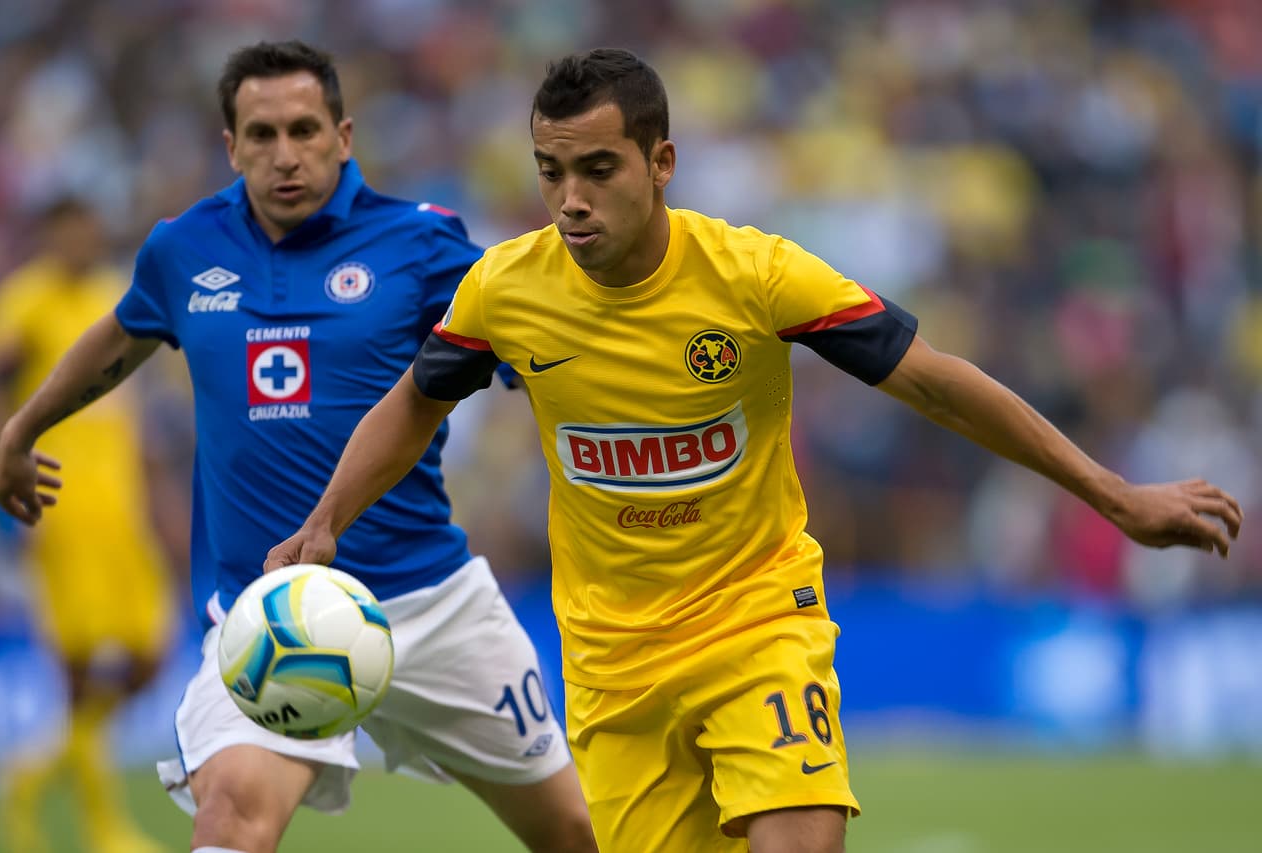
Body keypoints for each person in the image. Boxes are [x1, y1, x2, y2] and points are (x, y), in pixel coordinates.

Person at [269, 47, 1244, 853]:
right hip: (613, 664)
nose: (568, 199)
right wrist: (325, 523)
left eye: (596, 169)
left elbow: (933, 379)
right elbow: (411, 404)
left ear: (660, 163)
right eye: (549, 170)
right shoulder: (504, 292)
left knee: (798, 841)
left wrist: (1110, 494)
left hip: (754, 619)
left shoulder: (752, 275)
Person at [0, 40, 596, 853]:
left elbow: (536, 356)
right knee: (232, 815)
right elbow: (122, 337)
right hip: (269, 612)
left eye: (304, 130)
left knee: (577, 831)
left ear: (343, 137)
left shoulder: (424, 244)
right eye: (262, 134)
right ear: (230, 145)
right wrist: (22, 430)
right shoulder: (183, 250)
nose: (285, 155)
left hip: (429, 600)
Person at [0, 197, 174, 853]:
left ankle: (31, 773)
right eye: (68, 231)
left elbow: (131, 410)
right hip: (60, 510)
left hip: (121, 509)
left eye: (89, 230)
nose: (81, 242)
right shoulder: (24, 303)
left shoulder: (112, 293)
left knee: (151, 654)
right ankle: (102, 827)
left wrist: (159, 494)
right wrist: (5, 466)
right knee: (83, 669)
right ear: (47, 235)